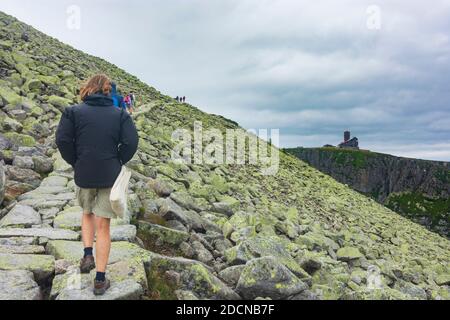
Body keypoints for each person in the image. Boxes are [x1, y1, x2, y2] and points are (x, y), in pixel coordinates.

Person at [55, 74, 138, 296]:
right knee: (104, 226)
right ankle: (100, 280)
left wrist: (76, 160)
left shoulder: (72, 112)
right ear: (107, 90)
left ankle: (87, 254)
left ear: (87, 89)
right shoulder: (119, 114)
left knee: (86, 213)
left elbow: (62, 140)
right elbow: (131, 142)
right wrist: (118, 160)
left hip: (84, 173)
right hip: (109, 174)